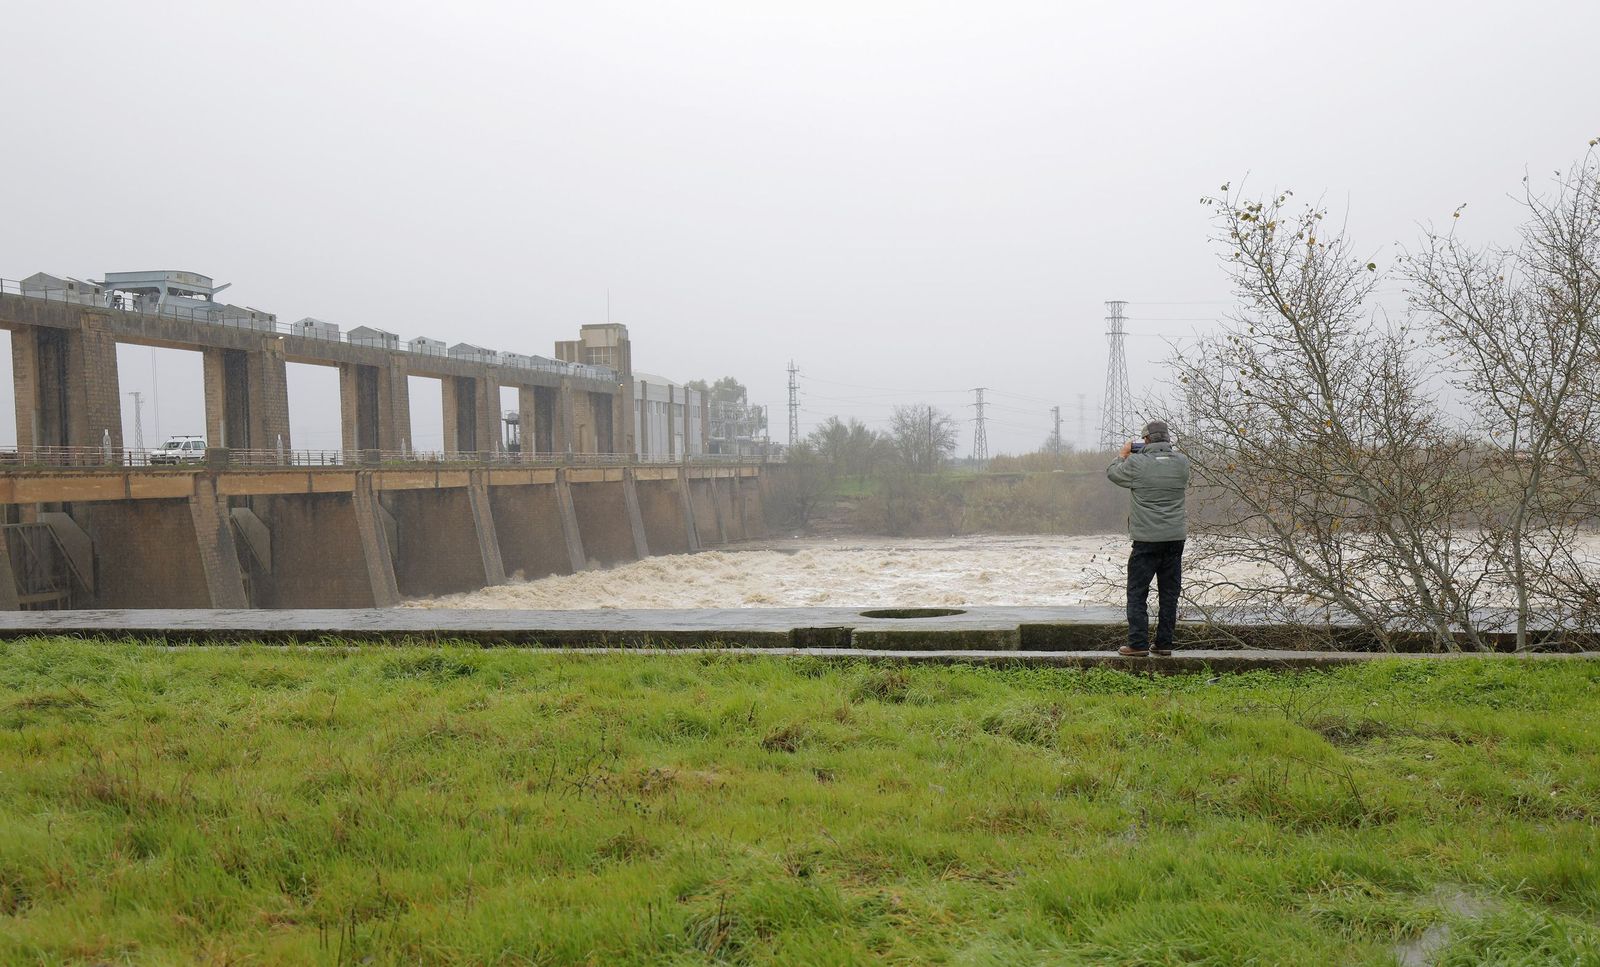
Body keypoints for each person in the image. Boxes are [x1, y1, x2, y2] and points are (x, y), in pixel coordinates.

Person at [1105, 420, 1190, 657]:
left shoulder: (1136, 463)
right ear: (1168, 439)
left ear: (1147, 441)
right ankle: (1164, 644)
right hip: (1174, 539)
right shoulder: (1182, 463)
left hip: (1146, 540)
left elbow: (1113, 474)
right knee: (1169, 594)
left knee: (1137, 592)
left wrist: (1122, 455)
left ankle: (1138, 644)